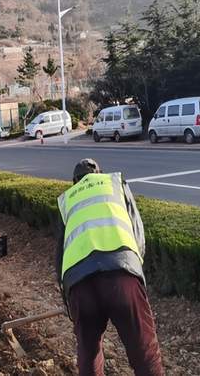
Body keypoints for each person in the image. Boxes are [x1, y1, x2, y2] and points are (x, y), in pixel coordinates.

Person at [56, 158, 164, 376]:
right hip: (121, 276)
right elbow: (137, 231)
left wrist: (69, 299)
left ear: (75, 182)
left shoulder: (67, 199)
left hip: (79, 282)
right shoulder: (115, 184)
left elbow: (60, 255)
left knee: (89, 353)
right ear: (100, 173)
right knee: (144, 352)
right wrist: (134, 270)